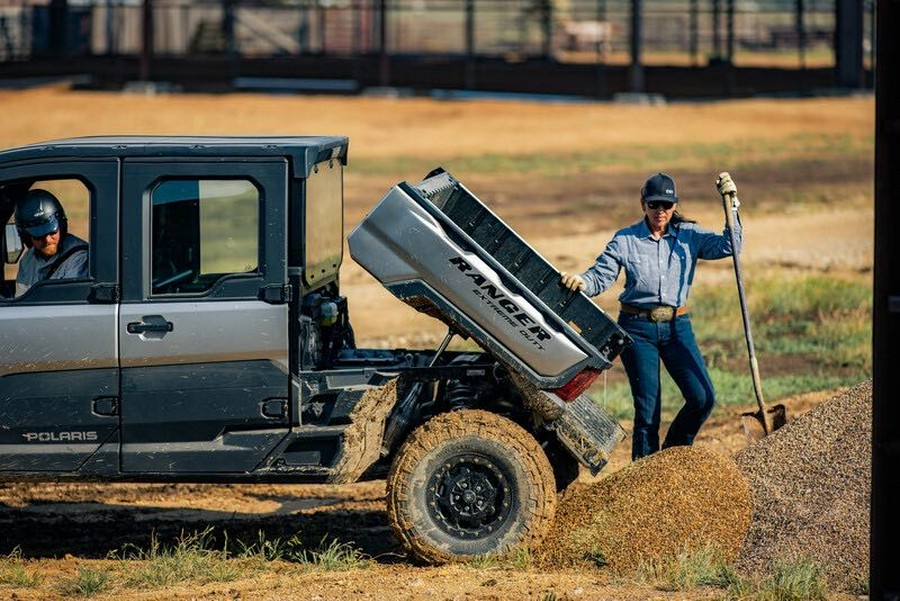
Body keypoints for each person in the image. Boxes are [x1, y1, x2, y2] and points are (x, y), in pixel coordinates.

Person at [560, 172, 742, 460]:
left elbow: (730, 245)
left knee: (703, 398)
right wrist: (582, 282)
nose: (661, 212)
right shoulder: (625, 240)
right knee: (648, 411)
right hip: (637, 329)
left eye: (667, 206)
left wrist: (731, 205)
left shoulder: (690, 236)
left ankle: (671, 459)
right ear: (643, 204)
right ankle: (643, 476)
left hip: (677, 327)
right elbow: (601, 276)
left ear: (674, 205)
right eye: (654, 205)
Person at [14, 189, 88, 297]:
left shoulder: (79, 258)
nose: (48, 240)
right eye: (39, 236)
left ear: (61, 226)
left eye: (52, 232)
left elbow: (69, 305)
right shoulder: (27, 260)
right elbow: (20, 305)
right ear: (26, 236)